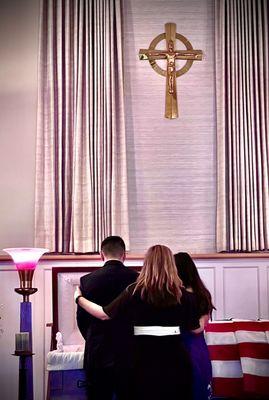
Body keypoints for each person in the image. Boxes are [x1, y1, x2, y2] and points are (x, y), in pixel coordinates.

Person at [75, 245, 204, 400]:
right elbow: (195, 329)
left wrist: (79, 298)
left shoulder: (134, 291)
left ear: (146, 264)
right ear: (171, 264)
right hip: (175, 361)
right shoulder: (183, 296)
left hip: (141, 361)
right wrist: (205, 316)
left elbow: (104, 314)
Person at [76, 236, 138, 400]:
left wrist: (92, 338)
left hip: (98, 351)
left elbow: (81, 320)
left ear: (101, 254)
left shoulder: (87, 281)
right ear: (124, 254)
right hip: (129, 351)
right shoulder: (137, 279)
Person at [174, 252, 215, 400]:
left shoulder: (184, 295)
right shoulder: (202, 293)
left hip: (188, 348)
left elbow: (198, 327)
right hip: (196, 348)